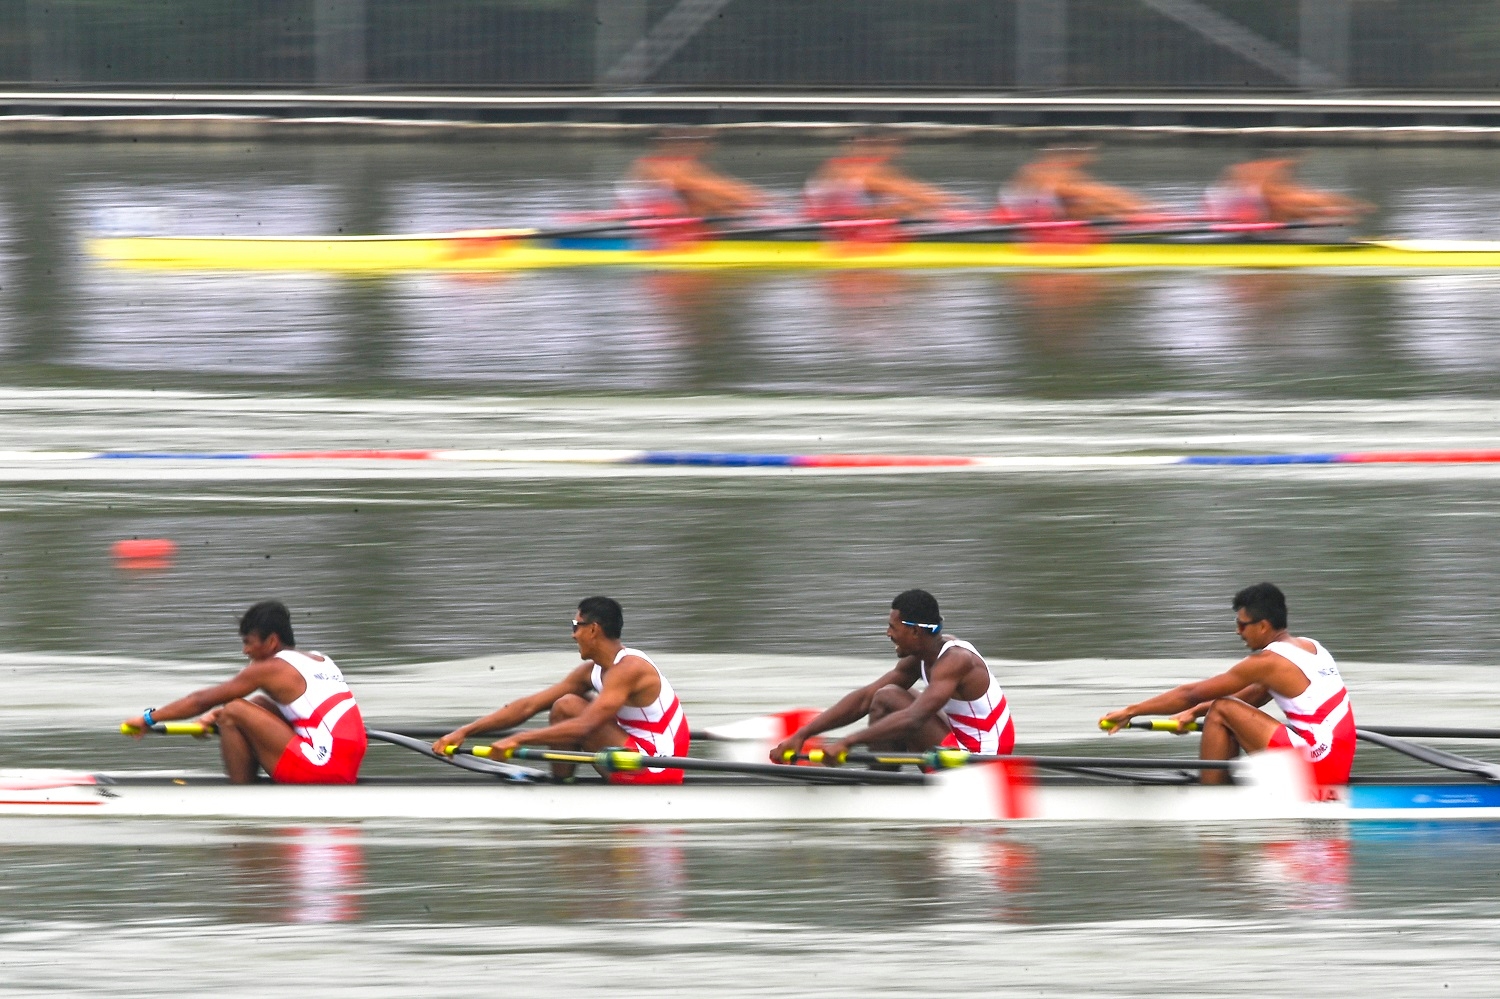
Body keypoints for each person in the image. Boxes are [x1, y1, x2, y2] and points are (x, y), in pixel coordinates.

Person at [1099, 582, 1355, 786]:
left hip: (1318, 766)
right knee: (1224, 710)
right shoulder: (1312, 647)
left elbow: (1191, 693)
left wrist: (1131, 711)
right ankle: (1221, 783)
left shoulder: (1268, 662)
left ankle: (1212, 797)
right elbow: (1253, 696)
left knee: (1222, 708)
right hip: (1335, 761)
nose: (1238, 631)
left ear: (1263, 626)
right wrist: (1194, 712)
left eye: (1242, 624)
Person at [432, 596, 689, 783]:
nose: (573, 635)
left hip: (657, 766)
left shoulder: (630, 668)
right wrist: (464, 731)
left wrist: (518, 739)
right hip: (628, 756)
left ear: (593, 629)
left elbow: (585, 726)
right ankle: (562, 784)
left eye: (576, 626)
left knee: (569, 706)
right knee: (565, 704)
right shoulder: (591, 671)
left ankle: (559, 792)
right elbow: (528, 706)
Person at [121, 600, 366, 785]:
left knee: (234, 710)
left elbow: (200, 700)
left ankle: (241, 793)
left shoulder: (269, 668)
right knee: (257, 702)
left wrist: (148, 718)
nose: (245, 651)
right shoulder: (321, 660)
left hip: (323, 767)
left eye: (248, 642)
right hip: (345, 765)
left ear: (271, 642)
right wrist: (216, 715)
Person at [770, 589, 1015, 766]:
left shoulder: (956, 661)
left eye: (893, 627)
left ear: (915, 631)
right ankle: (883, 777)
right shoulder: (922, 656)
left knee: (889, 698)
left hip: (984, 759)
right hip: (961, 744)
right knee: (885, 696)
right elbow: (864, 698)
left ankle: (881, 782)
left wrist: (848, 741)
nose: (888, 633)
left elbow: (913, 719)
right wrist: (803, 734)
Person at [619, 131, 767, 219]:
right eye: (703, 140)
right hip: (646, 233)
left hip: (675, 225)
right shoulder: (656, 165)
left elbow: (721, 184)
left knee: (710, 201)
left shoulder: (687, 164)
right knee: (699, 196)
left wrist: (757, 201)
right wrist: (754, 202)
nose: (708, 145)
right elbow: (698, 185)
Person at [803, 135, 955, 220]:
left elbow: (914, 188)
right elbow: (915, 194)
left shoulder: (842, 165)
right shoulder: (861, 172)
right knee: (906, 207)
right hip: (836, 228)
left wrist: (946, 202)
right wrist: (945, 206)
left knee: (909, 207)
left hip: (841, 220)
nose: (896, 151)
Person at [1000, 148, 1153, 222]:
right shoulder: (1043, 171)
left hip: (1044, 207)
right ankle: (1138, 218)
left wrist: (1138, 208)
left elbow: (1104, 192)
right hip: (1022, 212)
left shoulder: (1066, 172)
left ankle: (1140, 214)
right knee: (1091, 202)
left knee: (1097, 201)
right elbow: (1093, 192)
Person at [1204, 158, 1371, 225]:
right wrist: (1337, 213)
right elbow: (1308, 200)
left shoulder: (1269, 185)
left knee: (1298, 202)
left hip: (1250, 215)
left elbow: (1313, 197)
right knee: (1290, 204)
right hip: (1238, 219)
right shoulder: (1261, 186)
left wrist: (1348, 208)